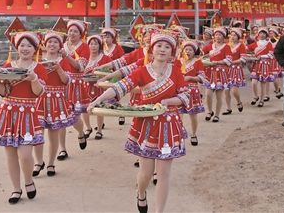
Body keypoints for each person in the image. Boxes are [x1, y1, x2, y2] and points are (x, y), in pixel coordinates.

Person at [87, 30, 190, 213]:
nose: (163, 49)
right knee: (146, 173)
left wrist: (168, 101)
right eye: (159, 45)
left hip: (168, 124)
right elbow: (121, 86)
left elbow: (186, 96)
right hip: (147, 125)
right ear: (152, 49)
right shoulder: (141, 71)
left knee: (164, 174)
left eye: (167, 47)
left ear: (172, 52)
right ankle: (141, 192)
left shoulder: (175, 71)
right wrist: (97, 100)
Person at [0, 32, 45, 204]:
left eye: (29, 46)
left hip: (27, 113)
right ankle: (16, 189)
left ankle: (29, 180)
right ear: (17, 48)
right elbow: (4, 92)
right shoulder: (8, 65)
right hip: (9, 111)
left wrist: (34, 79)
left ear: (35, 49)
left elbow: (38, 93)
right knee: (10, 152)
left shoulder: (39, 68)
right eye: (22, 45)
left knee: (25, 154)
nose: (25, 48)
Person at [33, 30, 77, 178]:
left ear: (60, 46)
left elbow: (66, 81)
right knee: (38, 132)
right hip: (40, 98)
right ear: (45, 44)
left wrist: (58, 69)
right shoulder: (37, 59)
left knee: (53, 133)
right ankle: (39, 162)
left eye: (55, 42)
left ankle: (51, 163)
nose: (52, 44)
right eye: (49, 41)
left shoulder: (63, 61)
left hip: (56, 99)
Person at [57, 20, 89, 160]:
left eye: (75, 31)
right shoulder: (61, 46)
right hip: (61, 83)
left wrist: (66, 56)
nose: (72, 33)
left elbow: (80, 66)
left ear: (80, 34)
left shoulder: (84, 47)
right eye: (70, 30)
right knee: (61, 119)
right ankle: (62, 149)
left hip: (76, 83)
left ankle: (81, 133)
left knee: (75, 116)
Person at [83, 35, 112, 139]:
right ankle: (88, 127)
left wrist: (102, 76)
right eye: (91, 44)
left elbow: (110, 72)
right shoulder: (84, 57)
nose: (93, 46)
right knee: (84, 107)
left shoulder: (105, 58)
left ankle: (99, 129)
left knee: (99, 107)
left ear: (100, 45)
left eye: (96, 44)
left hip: (99, 86)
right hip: (85, 85)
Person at [201, 27, 232, 122]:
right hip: (210, 72)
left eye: (220, 35)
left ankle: (217, 115)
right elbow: (201, 52)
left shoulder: (226, 47)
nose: (218, 37)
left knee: (219, 95)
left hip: (221, 73)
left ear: (223, 37)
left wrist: (217, 62)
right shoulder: (210, 46)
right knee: (208, 94)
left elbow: (229, 60)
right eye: (216, 35)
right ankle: (210, 111)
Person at [247, 27, 275, 107]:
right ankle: (255, 96)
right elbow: (247, 49)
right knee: (254, 82)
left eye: (264, 33)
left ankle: (261, 100)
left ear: (266, 35)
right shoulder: (255, 44)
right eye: (260, 33)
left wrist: (261, 56)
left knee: (263, 83)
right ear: (258, 34)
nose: (262, 35)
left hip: (265, 65)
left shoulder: (268, 44)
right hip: (256, 65)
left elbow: (271, 55)